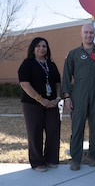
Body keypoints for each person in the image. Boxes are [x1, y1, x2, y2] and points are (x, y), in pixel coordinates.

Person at [62, 23, 95, 171]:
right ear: (81, 34)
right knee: (77, 127)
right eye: (86, 32)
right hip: (78, 95)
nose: (88, 35)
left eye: (91, 33)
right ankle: (76, 158)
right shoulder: (73, 54)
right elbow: (66, 77)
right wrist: (67, 97)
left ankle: (92, 156)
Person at [18, 37, 61, 172]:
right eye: (38, 46)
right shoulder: (27, 64)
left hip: (52, 104)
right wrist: (41, 99)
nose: (42, 49)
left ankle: (51, 159)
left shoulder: (51, 64)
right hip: (33, 104)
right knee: (35, 131)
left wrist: (58, 97)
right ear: (33, 48)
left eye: (44, 46)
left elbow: (57, 82)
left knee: (53, 129)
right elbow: (25, 84)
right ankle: (37, 162)